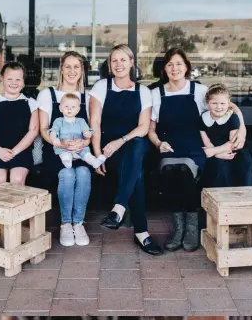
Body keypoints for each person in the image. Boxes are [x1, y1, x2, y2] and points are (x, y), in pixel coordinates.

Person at [148, 48, 247, 252]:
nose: (175, 68)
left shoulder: (199, 91)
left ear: (186, 67)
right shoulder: (155, 94)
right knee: (170, 171)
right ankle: (178, 228)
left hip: (195, 147)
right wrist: (158, 143)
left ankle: (191, 227)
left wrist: (242, 128)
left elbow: (231, 107)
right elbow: (150, 129)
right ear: (164, 69)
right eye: (170, 64)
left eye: (179, 64)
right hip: (169, 146)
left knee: (184, 171)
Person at [89, 44, 162, 256]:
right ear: (110, 66)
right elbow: (95, 123)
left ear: (132, 63)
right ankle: (141, 232)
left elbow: (143, 128)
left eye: (123, 60)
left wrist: (121, 140)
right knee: (136, 173)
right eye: (114, 61)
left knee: (138, 145)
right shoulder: (102, 87)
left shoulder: (143, 91)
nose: (119, 64)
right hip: (108, 152)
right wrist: (98, 155)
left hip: (130, 145)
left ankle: (119, 208)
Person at [37, 50, 93, 247]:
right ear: (61, 69)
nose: (72, 71)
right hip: (57, 152)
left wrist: (84, 143)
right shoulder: (48, 94)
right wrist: (58, 143)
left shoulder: (87, 97)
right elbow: (43, 129)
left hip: (80, 151)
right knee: (68, 175)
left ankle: (79, 223)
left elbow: (91, 130)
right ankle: (65, 224)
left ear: (82, 70)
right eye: (67, 66)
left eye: (76, 67)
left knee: (84, 173)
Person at [0, 61, 39, 186]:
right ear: (2, 79)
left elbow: (33, 131)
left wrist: (14, 151)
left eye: (18, 79)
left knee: (17, 180)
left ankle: (17, 206)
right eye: (9, 79)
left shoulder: (31, 103)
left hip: (21, 151)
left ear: (23, 81)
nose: (14, 83)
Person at [199, 83, 252, 188]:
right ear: (207, 103)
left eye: (222, 103)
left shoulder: (232, 117)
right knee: (217, 168)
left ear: (229, 103)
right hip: (215, 150)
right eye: (214, 103)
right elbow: (206, 141)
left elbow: (233, 143)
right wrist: (215, 153)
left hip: (234, 151)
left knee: (244, 169)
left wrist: (213, 152)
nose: (219, 107)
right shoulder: (203, 118)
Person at [49, 94, 105, 170]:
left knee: (86, 154)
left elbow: (86, 132)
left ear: (78, 109)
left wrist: (87, 134)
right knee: (64, 153)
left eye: (73, 107)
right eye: (66, 106)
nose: (69, 109)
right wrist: (54, 139)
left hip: (79, 146)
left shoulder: (81, 121)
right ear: (60, 108)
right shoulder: (58, 121)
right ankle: (67, 160)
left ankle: (95, 162)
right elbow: (53, 131)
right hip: (64, 146)